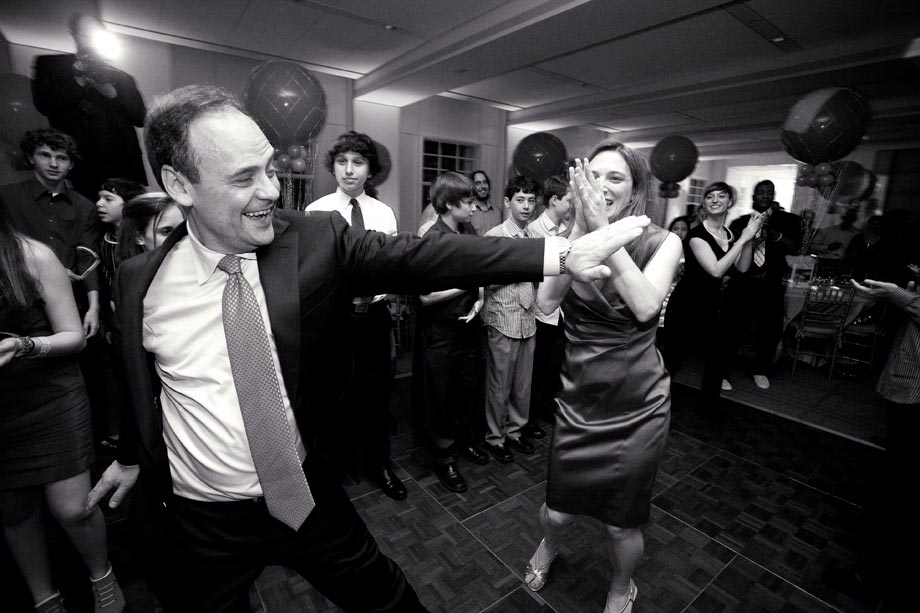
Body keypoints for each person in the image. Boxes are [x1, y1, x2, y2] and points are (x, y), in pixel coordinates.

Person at [85, 84, 645, 612]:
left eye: (271, 168)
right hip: (201, 519)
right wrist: (133, 457)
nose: (272, 190)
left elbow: (423, 258)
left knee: (389, 600)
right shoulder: (139, 280)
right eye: (244, 177)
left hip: (301, 494)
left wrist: (559, 254)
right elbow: (147, 379)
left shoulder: (313, 240)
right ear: (179, 185)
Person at [523, 142, 683, 613]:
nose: (602, 186)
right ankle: (549, 545)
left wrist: (606, 235)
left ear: (635, 188)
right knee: (557, 510)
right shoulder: (571, 234)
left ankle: (621, 585)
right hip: (580, 396)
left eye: (616, 177)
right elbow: (546, 304)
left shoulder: (662, 241)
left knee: (620, 524)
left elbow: (645, 306)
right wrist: (578, 232)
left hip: (638, 402)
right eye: (594, 175)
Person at [0, 205, 124, 613]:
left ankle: (103, 580)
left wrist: (25, 345)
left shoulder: (30, 256)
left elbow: (74, 336)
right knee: (14, 511)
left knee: (72, 508)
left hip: (50, 395)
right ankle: (45, 600)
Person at [306, 131, 407, 501]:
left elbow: (392, 267)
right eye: (342, 161)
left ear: (370, 170)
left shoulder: (384, 213)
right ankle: (334, 468)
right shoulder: (315, 212)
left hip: (375, 316)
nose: (349, 170)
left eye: (358, 162)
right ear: (333, 166)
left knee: (377, 393)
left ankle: (379, 463)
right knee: (333, 393)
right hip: (334, 318)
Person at [822, 272, 919, 610]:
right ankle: (874, 530)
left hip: (917, 392)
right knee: (895, 475)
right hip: (909, 380)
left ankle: (874, 578)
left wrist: (900, 296)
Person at [415, 171, 490, 493]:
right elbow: (425, 295)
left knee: (467, 389)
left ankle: (463, 443)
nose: (474, 208)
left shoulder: (469, 230)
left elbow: (481, 270)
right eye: (468, 202)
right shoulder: (431, 238)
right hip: (441, 333)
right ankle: (443, 457)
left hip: (469, 326)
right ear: (448, 204)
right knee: (441, 396)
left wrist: (480, 298)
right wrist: (466, 285)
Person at [661, 182, 762, 404]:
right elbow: (716, 270)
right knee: (673, 358)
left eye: (721, 196)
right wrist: (744, 238)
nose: (715, 200)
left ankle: (708, 408)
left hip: (713, 305)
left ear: (730, 202)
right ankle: (653, 403)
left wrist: (749, 241)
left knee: (718, 357)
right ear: (704, 203)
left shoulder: (731, 235)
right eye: (710, 196)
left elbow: (742, 268)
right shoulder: (696, 235)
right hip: (686, 303)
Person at [31, 12, 146, 199]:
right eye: (85, 32)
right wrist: (79, 82)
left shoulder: (123, 77)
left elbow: (139, 117)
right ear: (74, 33)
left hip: (123, 166)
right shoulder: (51, 65)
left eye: (95, 33)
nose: (90, 38)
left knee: (129, 223)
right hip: (78, 166)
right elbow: (44, 104)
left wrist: (113, 94)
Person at [481, 175, 541, 463]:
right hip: (502, 318)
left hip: (528, 319)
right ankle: (495, 436)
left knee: (522, 384)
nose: (526, 206)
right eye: (520, 200)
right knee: (499, 383)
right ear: (507, 202)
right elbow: (482, 282)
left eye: (531, 200)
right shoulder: (494, 237)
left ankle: (516, 431)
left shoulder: (533, 239)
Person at [725, 179, 801, 390]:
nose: (765, 195)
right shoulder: (740, 223)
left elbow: (795, 248)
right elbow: (730, 253)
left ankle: (759, 370)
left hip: (771, 285)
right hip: (743, 284)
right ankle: (721, 371)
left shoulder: (787, 221)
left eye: (769, 192)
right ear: (754, 196)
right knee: (733, 329)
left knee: (769, 331)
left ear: (773, 195)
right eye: (760, 192)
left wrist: (775, 235)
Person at [526, 174, 572, 433]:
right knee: (534, 368)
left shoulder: (567, 230)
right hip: (539, 311)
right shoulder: (534, 232)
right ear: (554, 200)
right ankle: (528, 416)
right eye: (569, 200)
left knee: (554, 366)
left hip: (561, 311)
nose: (573, 206)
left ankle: (544, 407)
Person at [96, 178, 147, 294]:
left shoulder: (142, 239)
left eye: (108, 199)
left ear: (129, 203)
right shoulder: (106, 239)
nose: (99, 203)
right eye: (99, 198)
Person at [116, 192, 185, 262]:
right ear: (139, 237)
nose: (181, 238)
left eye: (183, 229)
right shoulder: (130, 271)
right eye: (166, 231)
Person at [470, 170, 503, 235]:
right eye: (478, 183)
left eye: (485, 182)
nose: (483, 186)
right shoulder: (468, 211)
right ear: (471, 187)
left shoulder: (497, 211)